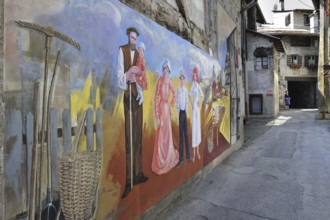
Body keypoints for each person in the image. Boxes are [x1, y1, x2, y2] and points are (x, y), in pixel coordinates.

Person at [117, 26, 148, 199]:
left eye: (136, 38)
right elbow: (119, 76)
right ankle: (128, 181)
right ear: (128, 36)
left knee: (138, 137)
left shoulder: (140, 55)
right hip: (128, 98)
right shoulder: (121, 51)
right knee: (129, 140)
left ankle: (138, 174)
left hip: (138, 99)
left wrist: (140, 80)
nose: (133, 41)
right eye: (131, 38)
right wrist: (128, 75)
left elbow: (143, 76)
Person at [151, 59, 179, 175]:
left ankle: (168, 158)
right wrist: (157, 116)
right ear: (163, 70)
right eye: (164, 69)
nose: (166, 71)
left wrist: (172, 104)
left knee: (167, 135)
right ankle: (160, 162)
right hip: (162, 109)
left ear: (169, 70)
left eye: (167, 69)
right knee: (161, 136)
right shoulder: (160, 81)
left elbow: (175, 93)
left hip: (167, 110)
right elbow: (156, 97)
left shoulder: (169, 81)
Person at [176, 70, 191, 168]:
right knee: (181, 135)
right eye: (180, 78)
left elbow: (186, 102)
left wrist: (185, 110)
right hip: (180, 113)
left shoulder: (185, 90)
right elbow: (177, 101)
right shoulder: (178, 90)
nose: (182, 80)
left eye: (183, 78)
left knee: (186, 134)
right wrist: (179, 111)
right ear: (179, 79)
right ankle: (181, 158)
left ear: (184, 79)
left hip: (184, 113)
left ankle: (188, 156)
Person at [190, 67, 203, 162]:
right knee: (194, 128)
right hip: (194, 108)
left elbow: (202, 95)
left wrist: (200, 102)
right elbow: (189, 95)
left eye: (195, 75)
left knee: (197, 128)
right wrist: (192, 104)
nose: (194, 77)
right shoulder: (192, 85)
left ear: (197, 76)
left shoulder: (198, 85)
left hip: (197, 108)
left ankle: (197, 151)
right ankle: (194, 153)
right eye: (193, 75)